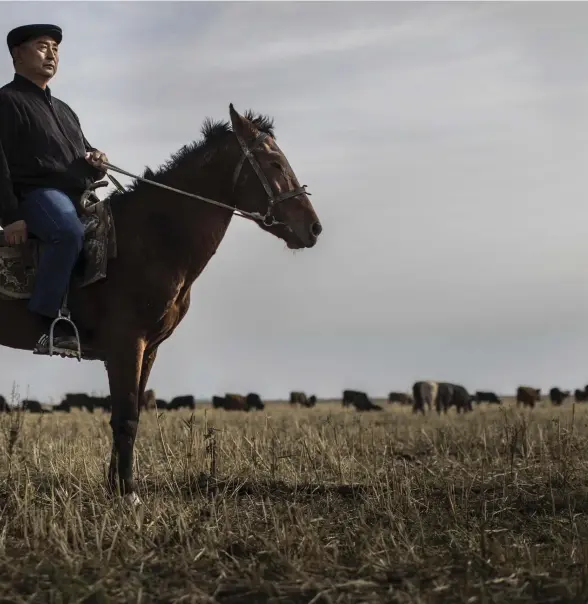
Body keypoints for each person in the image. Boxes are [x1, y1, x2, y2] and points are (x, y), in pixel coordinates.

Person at [0, 24, 109, 355]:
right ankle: (49, 321)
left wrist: (97, 159)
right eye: (42, 46)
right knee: (66, 232)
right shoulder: (6, 100)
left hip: (79, 196)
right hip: (36, 196)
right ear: (18, 54)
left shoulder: (64, 109)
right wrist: (12, 216)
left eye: (56, 49)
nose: (52, 54)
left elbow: (83, 152)